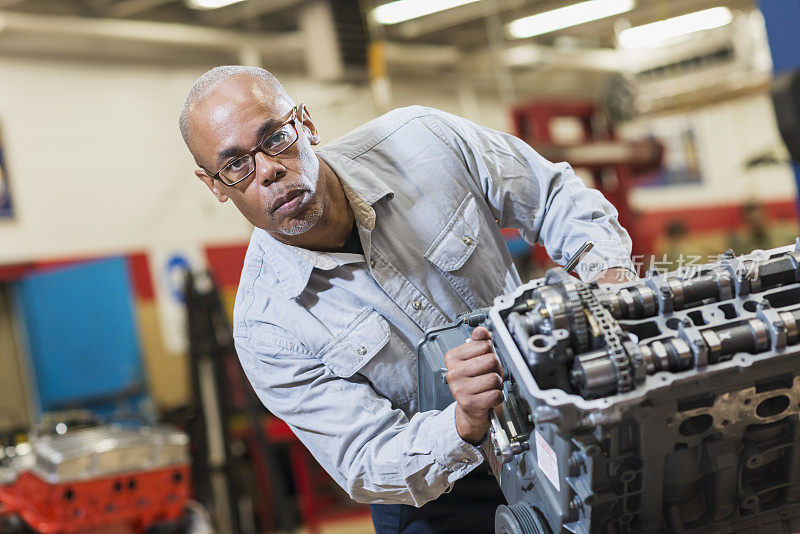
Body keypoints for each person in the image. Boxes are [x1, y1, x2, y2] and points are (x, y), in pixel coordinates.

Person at [179, 65, 635, 533]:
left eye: (275, 137)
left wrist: (611, 281)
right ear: (214, 184)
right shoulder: (267, 329)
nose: (269, 170)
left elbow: (553, 196)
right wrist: (463, 421)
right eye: (235, 165)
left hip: (559, 417)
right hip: (438, 491)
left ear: (307, 124)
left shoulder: (424, 143)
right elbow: (364, 459)